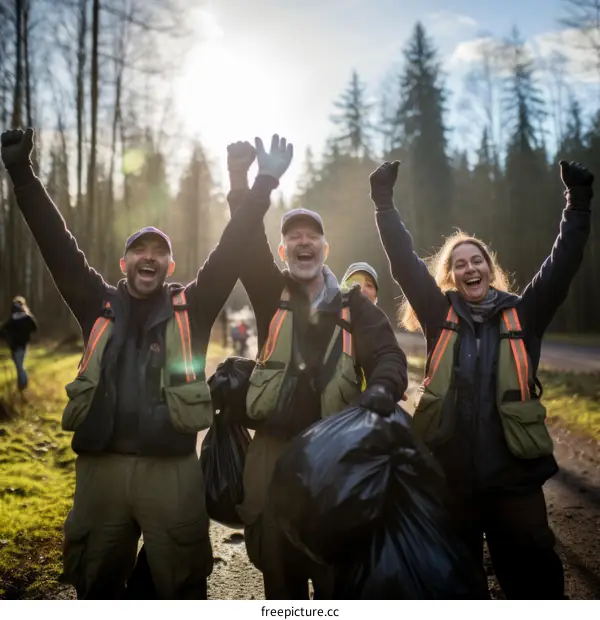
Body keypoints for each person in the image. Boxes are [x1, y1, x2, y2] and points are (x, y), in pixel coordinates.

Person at [0, 127, 293, 599]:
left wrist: (259, 185)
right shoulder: (95, 301)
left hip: (171, 472)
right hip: (102, 470)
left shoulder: (192, 307)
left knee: (180, 584)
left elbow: (233, 244)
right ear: (124, 262)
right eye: (140, 249)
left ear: (170, 268)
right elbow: (56, 243)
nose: (149, 256)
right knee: (96, 582)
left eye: (160, 252)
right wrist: (21, 172)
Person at [368, 158, 594, 599]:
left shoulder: (524, 315)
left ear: (491, 269)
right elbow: (402, 260)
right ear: (450, 276)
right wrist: (383, 203)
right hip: (450, 483)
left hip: (515, 484)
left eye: (478, 261)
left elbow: (563, 262)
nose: (471, 268)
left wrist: (578, 203)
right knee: (457, 586)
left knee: (534, 584)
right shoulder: (439, 314)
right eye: (460, 264)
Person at [226, 141, 409, 599]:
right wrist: (240, 183)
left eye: (312, 237)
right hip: (273, 452)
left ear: (326, 249)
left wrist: (380, 394)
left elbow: (389, 357)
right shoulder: (271, 292)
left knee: (336, 576)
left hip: (337, 456)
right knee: (281, 578)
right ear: (284, 250)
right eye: (294, 238)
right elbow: (244, 239)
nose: (303, 243)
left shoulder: (355, 308)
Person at [0, 296, 38, 392]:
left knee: (19, 365)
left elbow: (3, 330)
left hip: (15, 346)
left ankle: (22, 385)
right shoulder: (27, 317)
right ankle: (22, 384)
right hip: (23, 344)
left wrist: (7, 337)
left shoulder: (13, 318)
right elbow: (34, 328)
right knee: (20, 364)